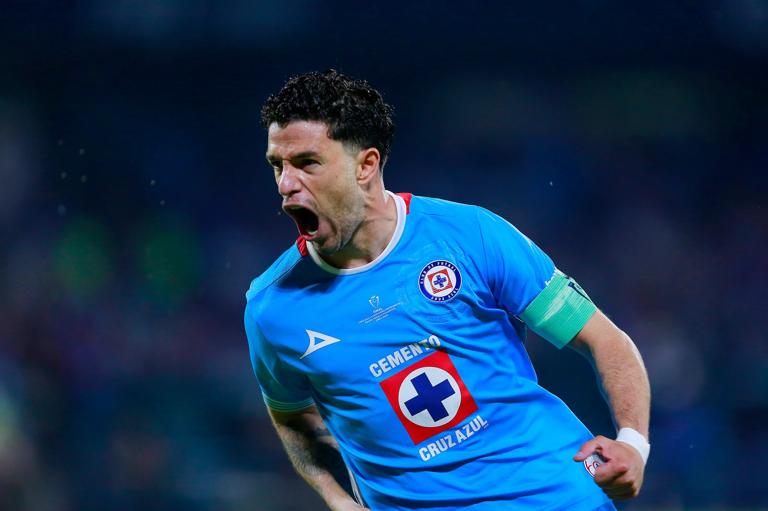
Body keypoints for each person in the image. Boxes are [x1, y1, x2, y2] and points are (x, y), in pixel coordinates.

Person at [244, 70, 651, 511]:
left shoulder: (470, 234)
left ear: (366, 166)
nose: (285, 184)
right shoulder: (272, 308)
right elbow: (291, 414)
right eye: (277, 165)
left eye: (307, 163)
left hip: (554, 496)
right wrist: (337, 499)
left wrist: (633, 444)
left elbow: (604, 339)